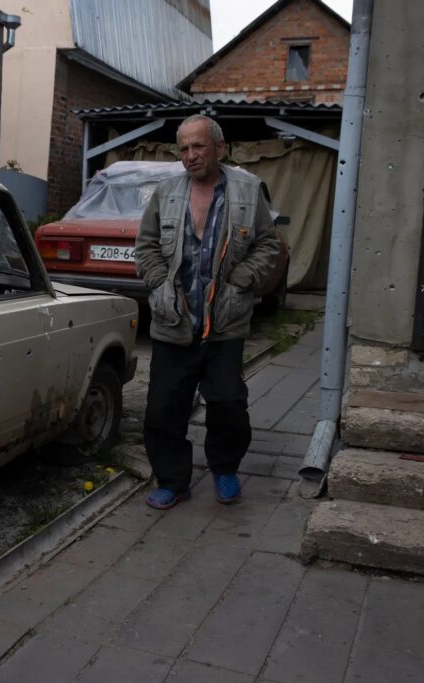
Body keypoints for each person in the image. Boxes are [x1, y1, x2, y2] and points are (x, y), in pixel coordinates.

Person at [134, 115, 281, 509]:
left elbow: (269, 245)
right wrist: (160, 283)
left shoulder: (249, 191)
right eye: (182, 148)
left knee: (228, 403)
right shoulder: (166, 193)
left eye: (198, 146)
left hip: (225, 323)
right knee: (163, 408)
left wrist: (245, 279)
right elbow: (145, 246)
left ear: (220, 147)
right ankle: (172, 480)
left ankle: (225, 468)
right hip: (173, 322)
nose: (190, 155)